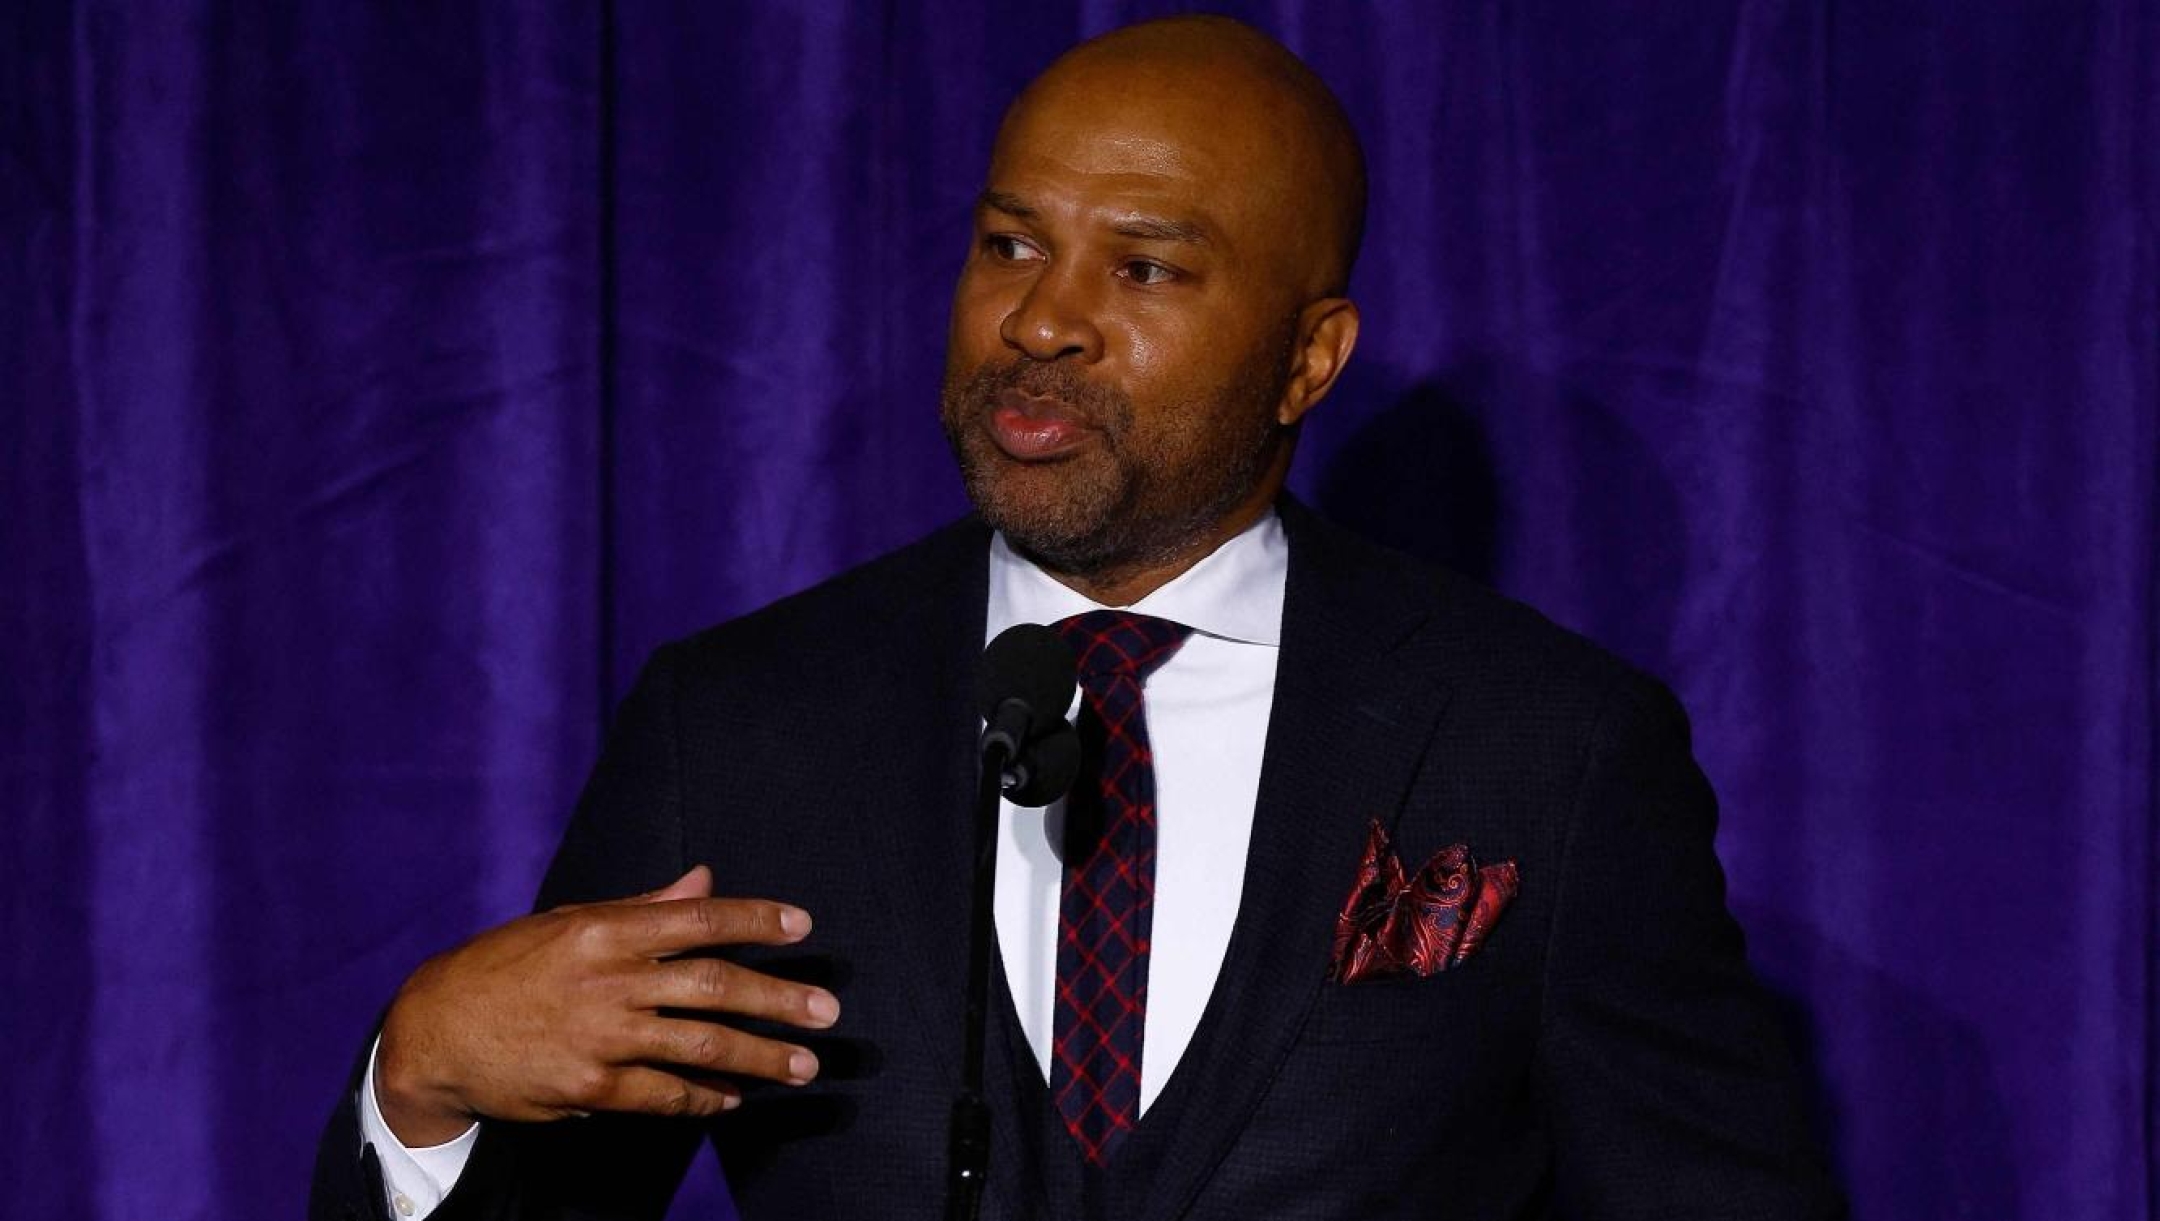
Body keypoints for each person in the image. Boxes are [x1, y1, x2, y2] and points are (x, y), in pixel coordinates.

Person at [311, 16, 1841, 1221]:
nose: (1043, 318)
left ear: (1311, 359)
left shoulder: (1550, 747)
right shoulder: (740, 722)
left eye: (1147, 265)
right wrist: (424, 1078)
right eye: (1010, 244)